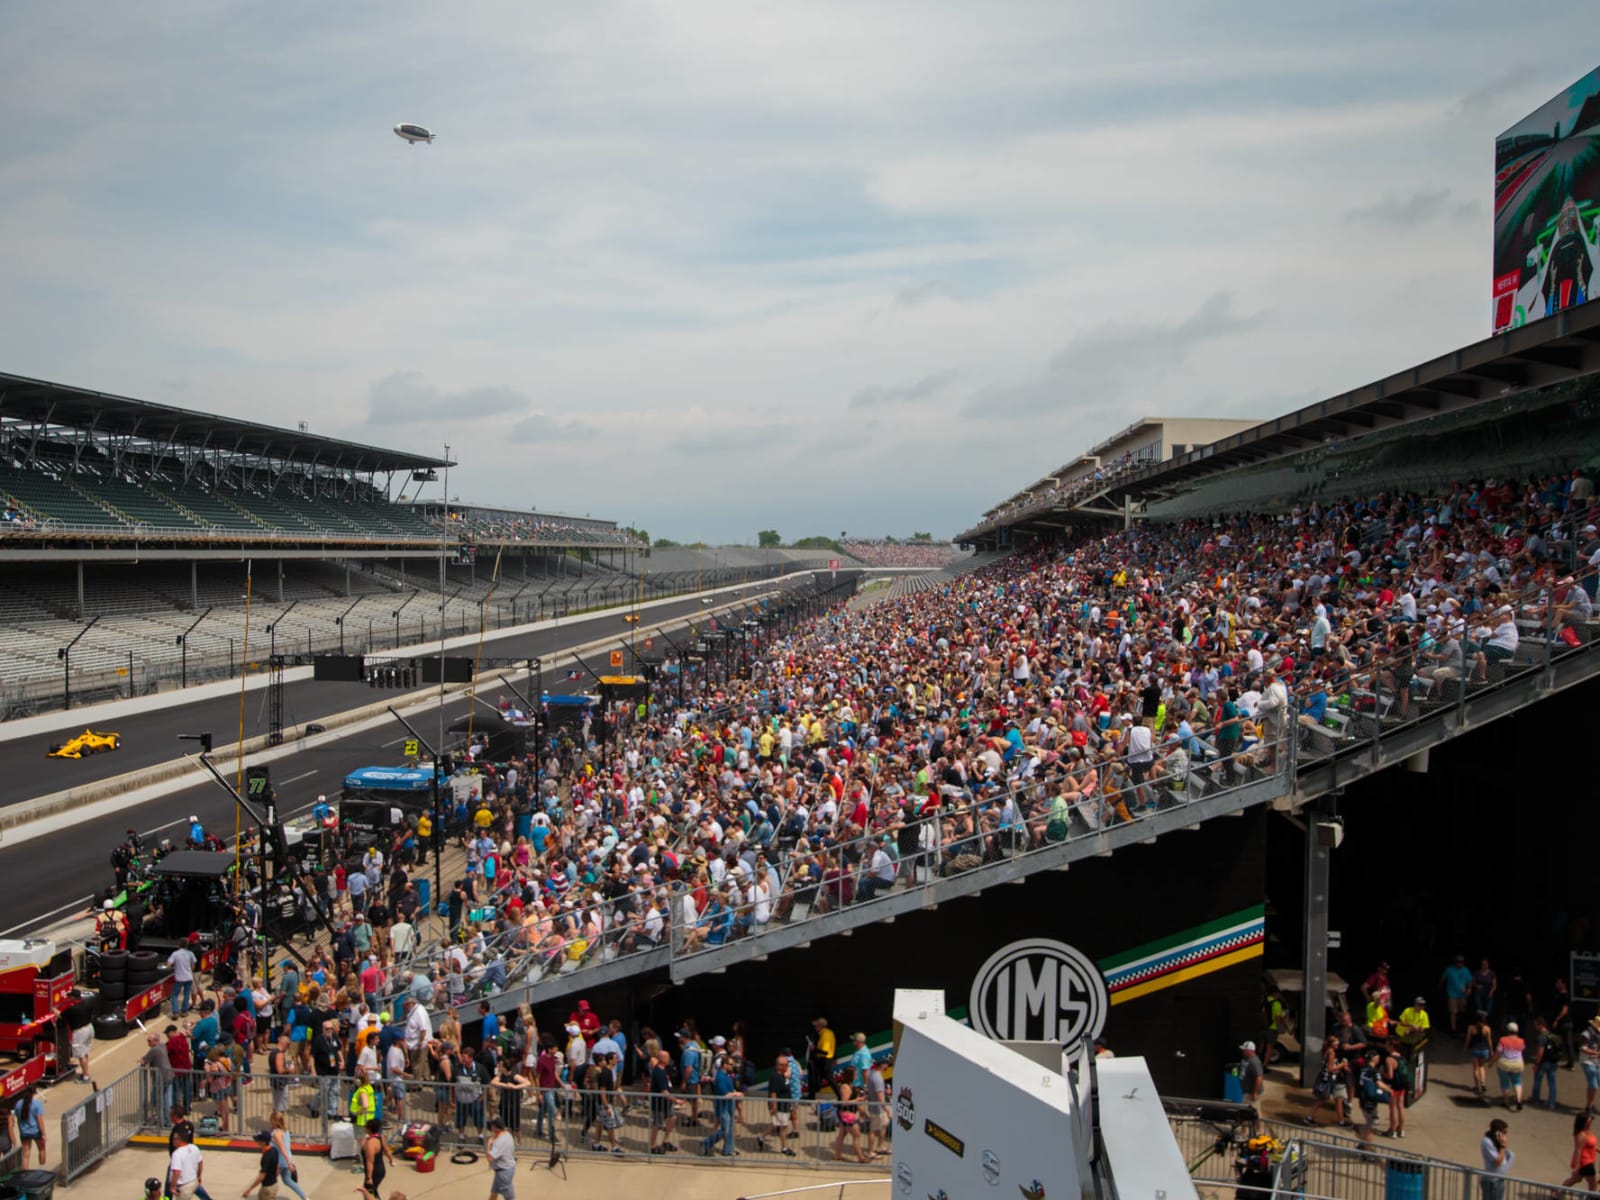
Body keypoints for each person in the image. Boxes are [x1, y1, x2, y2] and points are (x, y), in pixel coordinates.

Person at [268, 1112, 306, 1200]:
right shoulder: (286, 1131)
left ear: (273, 1121)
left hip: (279, 1162)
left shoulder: (276, 1134)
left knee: (270, 1181)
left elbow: (282, 1148)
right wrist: (289, 1161)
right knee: (287, 1180)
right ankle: (304, 1197)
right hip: (287, 1159)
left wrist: (288, 1163)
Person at [1532, 1016, 1562, 1111]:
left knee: (1538, 1080)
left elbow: (1540, 1052)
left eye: (1535, 1025)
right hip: (1553, 1062)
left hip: (1544, 1062)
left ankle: (1535, 1100)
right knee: (1551, 1082)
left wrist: (1536, 1063)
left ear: (1540, 1025)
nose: (1534, 1027)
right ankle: (1551, 1102)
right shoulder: (1552, 1035)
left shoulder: (1541, 1037)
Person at [240, 1129, 280, 1200]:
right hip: (274, 1185)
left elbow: (262, 1176)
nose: (256, 1142)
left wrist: (249, 1189)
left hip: (267, 1188)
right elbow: (277, 1166)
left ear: (263, 1142)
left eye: (258, 1140)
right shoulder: (274, 1150)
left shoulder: (266, 1157)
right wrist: (275, 1178)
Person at [1495, 1023, 1527, 1111]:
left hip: (1505, 1063)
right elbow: (1522, 1049)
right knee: (1517, 1082)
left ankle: (1506, 1102)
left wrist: (1492, 1061)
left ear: (1508, 1030)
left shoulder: (1503, 1040)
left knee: (1505, 1083)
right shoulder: (1521, 1041)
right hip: (1517, 1063)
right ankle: (1519, 1101)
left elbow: (1498, 1052)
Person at [1479, 1118, 1513, 1200]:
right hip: (1492, 1181)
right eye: (1504, 1133)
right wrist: (1503, 1146)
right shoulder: (1487, 1141)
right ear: (1497, 1132)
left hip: (1499, 1179)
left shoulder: (1495, 1142)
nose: (1505, 1136)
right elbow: (1497, 1161)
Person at [12, 1085, 44, 1169]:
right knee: (41, 1149)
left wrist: (21, 1130)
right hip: (36, 1131)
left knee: (25, 1154)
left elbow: (18, 1118)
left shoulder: (18, 1104)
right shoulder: (37, 1104)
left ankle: (25, 1174)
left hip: (24, 1132)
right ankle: (41, 1170)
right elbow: (40, 1121)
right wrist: (43, 1133)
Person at [1567, 1111, 1600, 1193]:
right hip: (1585, 1162)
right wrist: (1577, 1166)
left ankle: (1558, 1193)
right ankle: (1592, 1197)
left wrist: (1597, 1149)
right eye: (1590, 1119)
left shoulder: (1588, 1132)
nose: (1591, 1120)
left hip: (1590, 1160)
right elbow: (1578, 1150)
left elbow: (1590, 1145)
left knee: (1576, 1179)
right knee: (1593, 1182)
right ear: (1585, 1121)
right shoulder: (1581, 1135)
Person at [358, 1118, 391, 1200]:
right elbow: (387, 1150)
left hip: (374, 1172)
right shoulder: (380, 1137)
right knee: (372, 1191)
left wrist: (369, 1178)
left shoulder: (371, 1144)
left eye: (365, 1126)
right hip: (380, 1169)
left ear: (369, 1129)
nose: (364, 1128)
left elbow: (370, 1162)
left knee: (368, 1193)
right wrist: (391, 1160)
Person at [169, 1125, 204, 1200]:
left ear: (179, 1140)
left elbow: (176, 1172)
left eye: (174, 1139)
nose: (173, 1140)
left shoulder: (177, 1154)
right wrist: (199, 1176)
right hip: (193, 1182)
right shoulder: (194, 1147)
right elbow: (200, 1163)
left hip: (183, 1187)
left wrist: (172, 1187)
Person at [486, 1118, 517, 1200]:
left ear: (495, 1128)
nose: (491, 1127)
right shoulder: (507, 1135)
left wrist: (489, 1144)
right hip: (505, 1170)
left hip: (503, 1173)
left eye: (492, 1125)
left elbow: (490, 1158)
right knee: (494, 1193)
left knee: (509, 1198)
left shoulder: (499, 1142)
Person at [1466, 1011, 1495, 1097]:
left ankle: (1476, 1086)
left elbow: (1468, 1039)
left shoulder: (1471, 1028)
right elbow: (1489, 1040)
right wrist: (1491, 1050)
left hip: (1475, 1049)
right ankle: (1483, 1083)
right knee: (1481, 1067)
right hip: (1484, 1049)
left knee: (1475, 1068)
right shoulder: (1487, 1028)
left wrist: (1465, 1047)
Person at [1237, 1041, 1264, 1105]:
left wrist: (1254, 1093)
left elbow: (1259, 1078)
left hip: (1250, 1093)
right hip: (1245, 1091)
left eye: (1244, 1050)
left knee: (1247, 1110)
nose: (1242, 1051)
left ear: (1251, 1051)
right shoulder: (1245, 1058)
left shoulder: (1254, 1062)